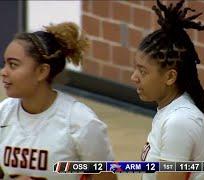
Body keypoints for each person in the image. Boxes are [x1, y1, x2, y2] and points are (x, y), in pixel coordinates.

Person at [0, 22, 117, 180]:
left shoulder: (82, 123)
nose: (3, 72)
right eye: (4, 64)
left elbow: (106, 178)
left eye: (13, 65)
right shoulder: (3, 113)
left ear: (42, 71)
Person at [131, 0, 204, 180]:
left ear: (170, 77)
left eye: (143, 71)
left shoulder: (179, 121)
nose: (134, 77)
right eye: (136, 68)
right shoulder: (177, 110)